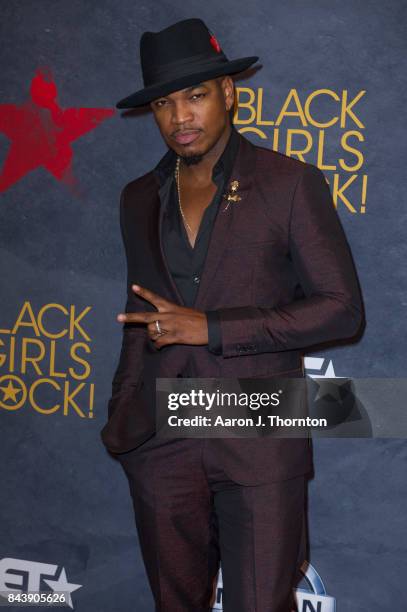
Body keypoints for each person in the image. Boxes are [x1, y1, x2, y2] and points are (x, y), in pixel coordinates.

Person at [101, 17, 364, 612]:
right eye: (164, 103)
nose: (179, 117)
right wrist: (124, 416)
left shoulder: (289, 183)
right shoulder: (138, 197)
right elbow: (138, 313)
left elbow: (343, 310)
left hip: (260, 429)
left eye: (195, 95)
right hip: (160, 438)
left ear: (229, 93)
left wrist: (214, 327)